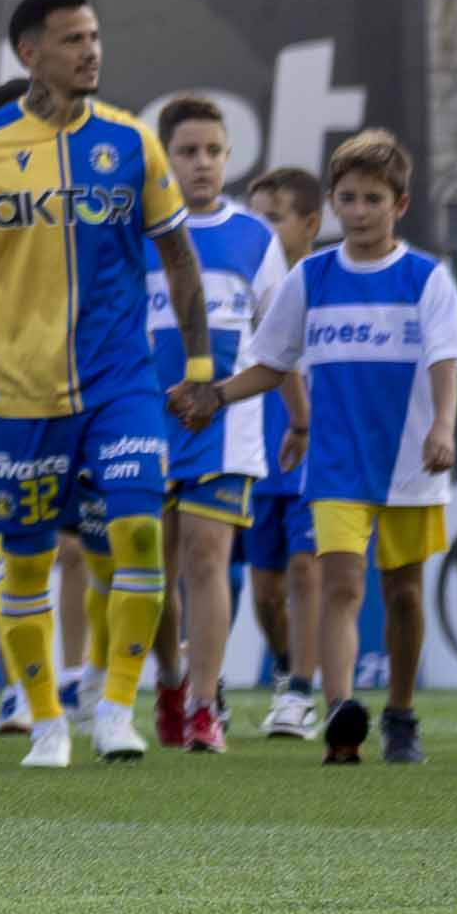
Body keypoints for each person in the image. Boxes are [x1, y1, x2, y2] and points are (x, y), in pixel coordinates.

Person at [0, 0, 210, 775]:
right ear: (30, 53)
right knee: (27, 561)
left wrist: (199, 368)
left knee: (136, 533)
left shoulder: (134, 143)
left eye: (95, 37)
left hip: (120, 385)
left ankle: (116, 709)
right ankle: (45, 721)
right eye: (72, 40)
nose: (90, 52)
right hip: (15, 392)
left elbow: (178, 258)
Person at [234, 130, 457, 766]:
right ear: (333, 205)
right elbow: (271, 362)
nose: (359, 211)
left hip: (409, 464)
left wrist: (442, 426)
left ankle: (400, 715)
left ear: (401, 204)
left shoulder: (427, 278)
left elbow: (448, 360)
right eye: (348, 198)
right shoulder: (311, 277)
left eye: (373, 198)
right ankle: (341, 716)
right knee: (340, 583)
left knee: (404, 593)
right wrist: (214, 395)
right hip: (335, 463)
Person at [145, 94, 282, 759]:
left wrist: (229, 398)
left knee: (206, 558)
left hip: (226, 425)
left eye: (213, 151)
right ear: (165, 158)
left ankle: (205, 705)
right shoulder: (139, 229)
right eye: (187, 152)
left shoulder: (256, 237)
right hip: (145, 419)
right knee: (150, 567)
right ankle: (170, 680)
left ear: (229, 156)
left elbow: (280, 343)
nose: (201, 164)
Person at [240, 162, 335, 736]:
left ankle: (301, 691)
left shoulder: (329, 284)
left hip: (318, 456)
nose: (262, 230)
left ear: (310, 224)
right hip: (258, 453)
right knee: (265, 589)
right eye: (255, 218)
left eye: (273, 219)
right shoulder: (246, 288)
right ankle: (283, 668)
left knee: (307, 568)